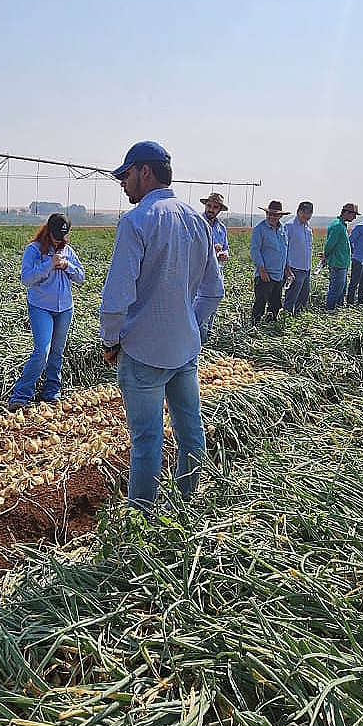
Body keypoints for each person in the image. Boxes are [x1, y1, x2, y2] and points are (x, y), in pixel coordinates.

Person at [99, 141, 223, 510]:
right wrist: (191, 325)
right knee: (190, 432)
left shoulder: (137, 222)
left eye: (127, 175)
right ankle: (187, 503)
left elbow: (116, 298)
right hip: (184, 351)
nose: (124, 184)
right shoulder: (196, 221)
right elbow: (213, 291)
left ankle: (142, 522)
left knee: (147, 440)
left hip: (143, 353)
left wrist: (110, 342)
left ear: (145, 172)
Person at [9, 213, 85, 410]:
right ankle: (21, 395)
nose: (59, 240)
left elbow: (81, 277)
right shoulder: (33, 250)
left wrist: (67, 265)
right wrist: (49, 265)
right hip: (41, 306)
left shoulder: (68, 250)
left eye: (63, 236)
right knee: (42, 350)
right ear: (48, 231)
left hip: (65, 308)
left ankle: (52, 392)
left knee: (57, 351)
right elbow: (26, 278)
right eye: (56, 235)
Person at [250, 200, 290, 324]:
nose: (272, 217)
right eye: (269, 214)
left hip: (279, 274)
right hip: (265, 274)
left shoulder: (283, 229)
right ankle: (255, 326)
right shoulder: (260, 229)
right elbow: (255, 250)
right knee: (260, 302)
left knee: (275, 303)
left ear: (280, 216)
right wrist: (261, 269)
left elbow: (285, 248)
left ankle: (270, 326)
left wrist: (286, 267)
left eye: (275, 215)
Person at [282, 200, 314, 315]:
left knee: (303, 297)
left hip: (306, 268)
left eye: (309, 213)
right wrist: (287, 268)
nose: (307, 215)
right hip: (294, 268)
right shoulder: (289, 226)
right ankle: (287, 318)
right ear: (298, 212)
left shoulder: (307, 228)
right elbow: (284, 248)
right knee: (291, 297)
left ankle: (298, 320)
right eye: (304, 212)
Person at [323, 203, 357, 309]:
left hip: (342, 263)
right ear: (347, 213)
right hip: (338, 264)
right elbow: (329, 245)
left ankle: (338, 311)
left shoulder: (341, 225)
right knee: (336, 290)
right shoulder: (338, 226)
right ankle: (329, 312)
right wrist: (325, 257)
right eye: (354, 214)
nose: (355, 217)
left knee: (341, 290)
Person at [200, 191, 230, 265]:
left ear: (219, 210)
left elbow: (225, 248)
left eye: (215, 207)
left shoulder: (222, 228)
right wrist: (213, 248)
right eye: (209, 206)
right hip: (200, 272)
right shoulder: (197, 223)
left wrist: (225, 255)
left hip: (217, 270)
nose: (211, 210)